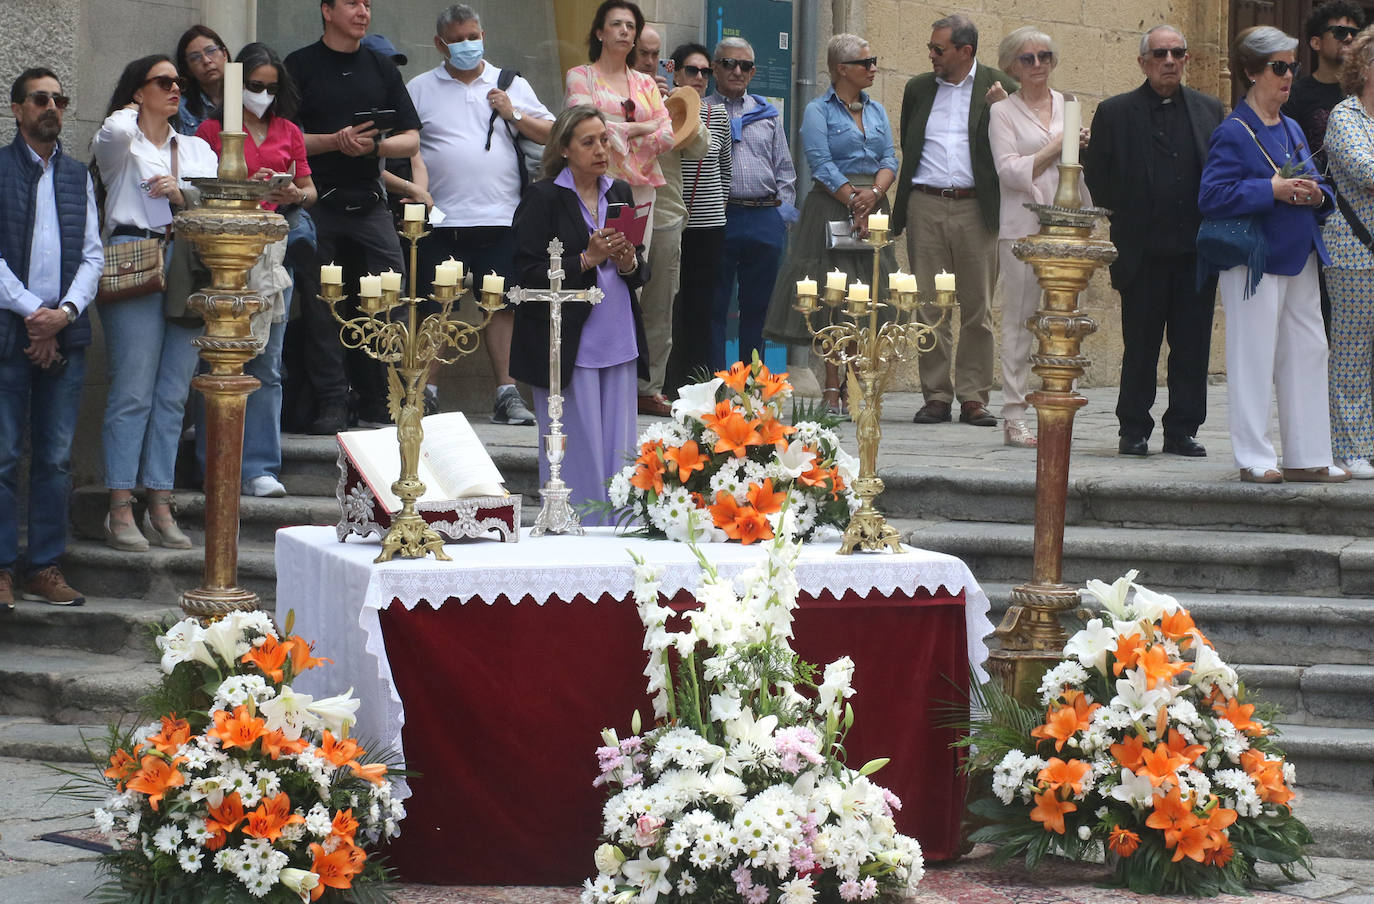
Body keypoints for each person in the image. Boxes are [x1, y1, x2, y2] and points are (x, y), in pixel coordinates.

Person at [1199, 26, 1349, 484]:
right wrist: (1272, 189)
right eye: (1278, 67)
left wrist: (1315, 194)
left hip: (1300, 252)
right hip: (1255, 260)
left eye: (1292, 67)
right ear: (1251, 72)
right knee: (1254, 354)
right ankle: (1254, 456)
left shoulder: (1292, 125)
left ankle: (1307, 454)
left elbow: (1317, 181)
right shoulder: (1233, 131)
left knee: (1310, 349)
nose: (1288, 76)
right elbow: (1212, 195)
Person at [91, 54, 219, 550]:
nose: (175, 90)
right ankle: (120, 506)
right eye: (163, 82)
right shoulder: (123, 142)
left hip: (186, 259)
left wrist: (182, 192)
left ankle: (160, 503)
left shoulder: (196, 148)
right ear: (138, 91)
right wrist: (133, 106)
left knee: (173, 394)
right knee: (132, 389)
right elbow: (111, 134)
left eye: (179, 83)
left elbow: (216, 201)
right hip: (132, 255)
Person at [406, 4, 552, 426]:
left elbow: (554, 133)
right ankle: (425, 393)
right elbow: (404, 142)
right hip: (439, 219)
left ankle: (507, 394)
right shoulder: (419, 88)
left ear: (483, 35)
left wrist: (515, 114)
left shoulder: (510, 83)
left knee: (502, 306)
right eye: (458, 39)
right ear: (439, 44)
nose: (468, 45)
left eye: (474, 36)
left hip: (502, 217)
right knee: (433, 306)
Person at [1084, 25, 1225, 458]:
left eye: (1177, 53)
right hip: (1142, 252)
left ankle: (1182, 428)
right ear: (1144, 61)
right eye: (1160, 53)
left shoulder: (1210, 110)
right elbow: (1098, 178)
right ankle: (1133, 428)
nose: (1169, 61)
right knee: (1140, 346)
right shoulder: (1114, 112)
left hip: (1195, 253)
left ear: (1186, 59)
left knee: (1192, 346)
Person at [285, 0, 421, 434]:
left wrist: (374, 147)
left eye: (367, 4)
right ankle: (331, 401)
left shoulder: (381, 67)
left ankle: (390, 396)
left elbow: (412, 139)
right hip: (315, 201)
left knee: (393, 299)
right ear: (327, 10)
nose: (363, 11)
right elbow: (284, 140)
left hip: (370, 201)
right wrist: (334, 141)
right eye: (352, 3)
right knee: (323, 306)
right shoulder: (300, 64)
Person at [509, 105, 649, 518]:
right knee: (578, 440)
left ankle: (621, 520)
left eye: (604, 139)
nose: (600, 149)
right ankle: (577, 521)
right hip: (568, 339)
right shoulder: (544, 197)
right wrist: (585, 259)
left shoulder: (620, 192)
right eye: (588, 142)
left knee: (619, 443)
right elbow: (525, 272)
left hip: (617, 333)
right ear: (565, 149)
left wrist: (627, 261)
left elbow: (637, 266)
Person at [0, 67, 103, 607]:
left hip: (65, 333)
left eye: (59, 99)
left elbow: (92, 254)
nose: (52, 107)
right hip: (7, 333)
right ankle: (0, 569)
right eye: (40, 99)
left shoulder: (76, 174)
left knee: (56, 458)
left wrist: (61, 314)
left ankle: (43, 566)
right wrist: (32, 312)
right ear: (17, 109)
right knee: (2, 455)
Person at [195, 43, 317, 497]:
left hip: (272, 251)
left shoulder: (288, 130)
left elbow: (309, 190)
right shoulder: (211, 130)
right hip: (225, 252)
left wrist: (292, 195)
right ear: (235, 86)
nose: (262, 94)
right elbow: (200, 188)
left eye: (270, 87)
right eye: (253, 86)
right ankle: (217, 463)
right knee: (219, 359)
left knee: (268, 363)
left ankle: (261, 465)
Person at [764, 33, 898, 419]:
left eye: (873, 61)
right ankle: (830, 387)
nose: (873, 68)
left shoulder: (877, 111)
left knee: (867, 294)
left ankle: (857, 386)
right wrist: (853, 199)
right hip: (830, 205)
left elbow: (890, 157)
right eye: (865, 62)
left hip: (873, 203)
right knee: (831, 297)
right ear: (842, 69)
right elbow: (819, 162)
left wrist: (873, 195)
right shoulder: (818, 110)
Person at [891, 14, 1013, 429]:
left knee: (977, 307)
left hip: (976, 208)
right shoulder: (918, 88)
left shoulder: (1000, 87)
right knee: (929, 306)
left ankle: (975, 397)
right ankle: (937, 396)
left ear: (966, 52)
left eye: (938, 49)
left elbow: (1017, 141)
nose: (931, 55)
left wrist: (1004, 110)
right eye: (931, 47)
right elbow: (910, 140)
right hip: (925, 203)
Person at [564, 0, 675, 414]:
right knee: (594, 272)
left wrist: (627, 129)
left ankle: (626, 380)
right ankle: (587, 370)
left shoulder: (646, 83)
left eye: (631, 25)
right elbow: (583, 123)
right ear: (599, 32)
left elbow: (669, 133)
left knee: (631, 278)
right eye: (616, 24)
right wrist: (637, 128)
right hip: (591, 188)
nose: (625, 32)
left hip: (640, 190)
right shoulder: (581, 76)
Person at [989, 27, 1089, 449]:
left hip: (1066, 222)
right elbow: (1009, 171)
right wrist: (1060, 144)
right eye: (1027, 59)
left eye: (1044, 56)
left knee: (1064, 318)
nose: (1037, 65)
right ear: (1012, 65)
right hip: (1022, 225)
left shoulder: (1069, 105)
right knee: (1019, 320)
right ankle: (1014, 413)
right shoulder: (1002, 112)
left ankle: (1057, 404)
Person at [707, 36, 797, 370]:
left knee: (759, 308)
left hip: (763, 216)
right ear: (716, 68)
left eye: (745, 65)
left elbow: (785, 168)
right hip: (720, 215)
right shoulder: (702, 111)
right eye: (729, 63)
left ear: (753, 71)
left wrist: (781, 216)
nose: (737, 71)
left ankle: (752, 386)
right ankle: (716, 384)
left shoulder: (767, 113)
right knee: (714, 305)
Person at [629, 25, 707, 411]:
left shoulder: (674, 98)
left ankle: (648, 388)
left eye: (655, 57)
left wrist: (666, 106)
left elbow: (701, 146)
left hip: (665, 213)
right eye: (642, 54)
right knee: (620, 300)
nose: (648, 63)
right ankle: (613, 385)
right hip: (623, 208)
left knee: (659, 305)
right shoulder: (613, 91)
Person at [1285, 0, 1366, 335]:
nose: (1348, 37)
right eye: (1339, 31)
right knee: (1318, 322)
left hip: (1362, 216)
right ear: (1316, 42)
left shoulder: (1365, 94)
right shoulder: (1296, 94)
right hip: (1315, 218)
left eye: (1353, 31)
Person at [1319, 26, 1374, 479]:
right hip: (1355, 253)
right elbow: (1366, 169)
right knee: (1353, 353)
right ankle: (1350, 447)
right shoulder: (1346, 117)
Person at [663, 42, 732, 395]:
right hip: (671, 217)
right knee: (671, 301)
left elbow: (725, 169)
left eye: (706, 71)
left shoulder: (718, 115)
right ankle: (669, 381)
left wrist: (717, 206)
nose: (700, 77)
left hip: (709, 223)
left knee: (702, 303)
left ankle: (701, 382)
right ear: (674, 72)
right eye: (693, 70)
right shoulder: (660, 110)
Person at [173, 25, 229, 136]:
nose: (206, 60)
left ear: (225, 54)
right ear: (188, 69)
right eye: (195, 57)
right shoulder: (181, 108)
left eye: (211, 51)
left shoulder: (246, 98)